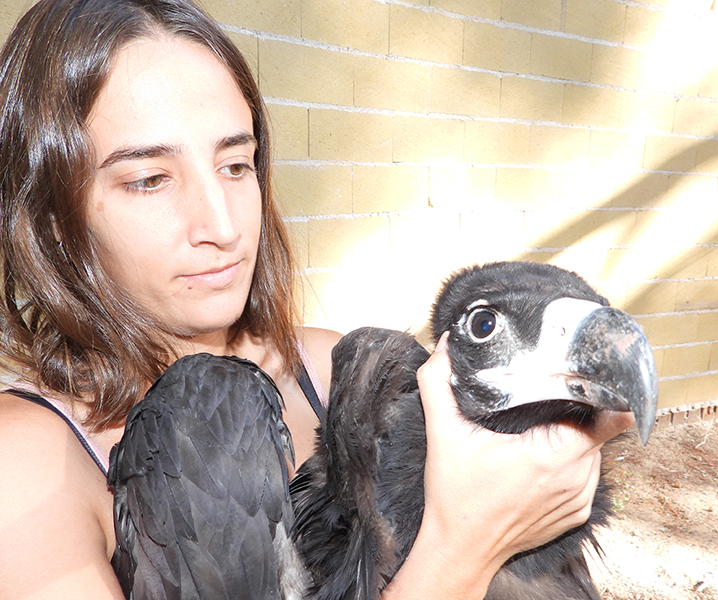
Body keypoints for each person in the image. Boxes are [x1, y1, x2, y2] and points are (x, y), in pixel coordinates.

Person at [0, 0, 635, 598]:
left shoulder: (341, 373)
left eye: (236, 164)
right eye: (148, 180)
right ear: (56, 219)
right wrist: (466, 547)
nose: (221, 225)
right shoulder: (23, 466)